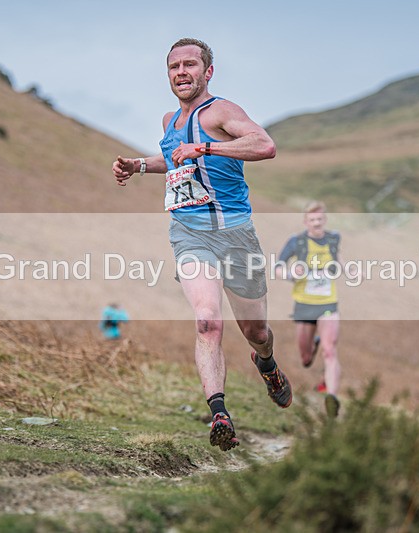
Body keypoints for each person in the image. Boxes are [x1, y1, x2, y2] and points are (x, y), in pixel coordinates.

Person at [111, 38, 291, 451]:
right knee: (207, 321)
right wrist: (140, 165)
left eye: (190, 65)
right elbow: (175, 158)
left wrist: (207, 146)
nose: (181, 72)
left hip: (236, 234)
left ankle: (266, 364)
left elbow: (265, 145)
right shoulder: (168, 121)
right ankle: (219, 414)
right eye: (173, 66)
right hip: (189, 234)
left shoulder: (223, 112)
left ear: (208, 72)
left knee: (257, 331)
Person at [275, 201, 342, 417]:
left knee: (330, 351)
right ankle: (313, 343)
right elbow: (278, 266)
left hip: (328, 303)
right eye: (312, 220)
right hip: (304, 304)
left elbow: (337, 260)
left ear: (325, 220)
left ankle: (332, 397)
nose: (317, 224)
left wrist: (349, 270)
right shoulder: (297, 242)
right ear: (306, 222)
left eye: (320, 220)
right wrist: (289, 274)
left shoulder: (333, 239)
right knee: (305, 358)